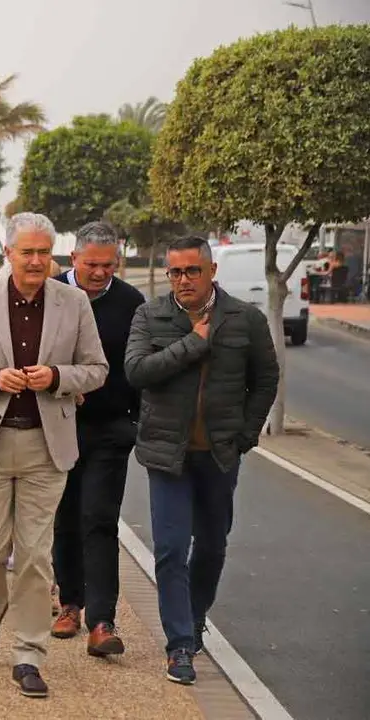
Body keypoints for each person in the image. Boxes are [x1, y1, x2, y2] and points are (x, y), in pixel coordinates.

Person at [0, 212, 109, 699]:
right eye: (27, 251)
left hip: (45, 445)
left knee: (35, 557)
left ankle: (29, 654)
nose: (36, 260)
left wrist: (57, 377)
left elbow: (96, 369)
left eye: (43, 252)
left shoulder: (74, 303)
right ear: (7, 253)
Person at [125, 235, 278, 686]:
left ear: (212, 271)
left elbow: (265, 379)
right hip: (166, 454)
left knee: (211, 546)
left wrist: (245, 435)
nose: (183, 279)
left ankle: (193, 619)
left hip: (219, 455)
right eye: (175, 271)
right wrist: (193, 343)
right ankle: (180, 645)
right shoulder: (151, 315)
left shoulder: (244, 319)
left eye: (192, 270)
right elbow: (137, 372)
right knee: (171, 549)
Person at [50, 221, 146, 656]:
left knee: (100, 519)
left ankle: (102, 621)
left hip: (109, 430)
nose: (100, 273)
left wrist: (132, 419)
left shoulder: (130, 302)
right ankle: (69, 602)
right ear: (74, 259)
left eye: (109, 265)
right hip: (56, 424)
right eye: (92, 264)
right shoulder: (49, 293)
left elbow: (137, 367)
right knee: (65, 518)